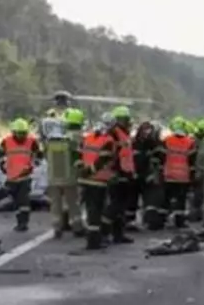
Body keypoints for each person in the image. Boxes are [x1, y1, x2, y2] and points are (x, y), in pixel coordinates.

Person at [78, 113, 119, 250]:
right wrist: (91, 170)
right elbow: (103, 160)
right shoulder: (108, 141)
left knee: (91, 210)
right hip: (98, 180)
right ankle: (94, 241)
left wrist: (82, 170)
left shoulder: (88, 138)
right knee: (96, 211)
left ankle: (93, 238)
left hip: (85, 180)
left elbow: (79, 155)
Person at [42, 111, 85, 237]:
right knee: (73, 203)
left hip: (53, 178)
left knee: (55, 204)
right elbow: (78, 157)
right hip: (69, 178)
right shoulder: (71, 142)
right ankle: (77, 227)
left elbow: (45, 157)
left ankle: (57, 228)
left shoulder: (48, 144)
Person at [0, 117, 42, 232]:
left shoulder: (32, 142)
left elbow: (39, 155)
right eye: (19, 133)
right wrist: (2, 165)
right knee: (16, 202)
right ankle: (19, 221)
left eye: (24, 133)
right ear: (14, 132)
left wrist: (33, 165)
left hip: (25, 176)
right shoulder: (6, 141)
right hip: (11, 176)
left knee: (24, 201)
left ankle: (23, 223)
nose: (22, 136)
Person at [160, 118, 197, 228]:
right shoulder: (190, 142)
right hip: (183, 176)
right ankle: (179, 222)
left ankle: (162, 220)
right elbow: (192, 161)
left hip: (169, 175)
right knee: (181, 200)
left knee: (166, 199)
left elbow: (161, 157)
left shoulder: (167, 140)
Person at [108, 106, 137, 242]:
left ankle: (118, 234)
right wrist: (116, 171)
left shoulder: (124, 133)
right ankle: (108, 232)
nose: (127, 121)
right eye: (125, 119)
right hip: (118, 174)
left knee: (121, 206)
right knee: (115, 205)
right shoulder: (114, 133)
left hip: (126, 173)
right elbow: (112, 155)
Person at [134, 121, 166, 231]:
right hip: (144, 175)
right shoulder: (156, 144)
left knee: (149, 201)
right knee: (151, 199)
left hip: (142, 175)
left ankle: (149, 221)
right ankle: (150, 221)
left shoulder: (136, 142)